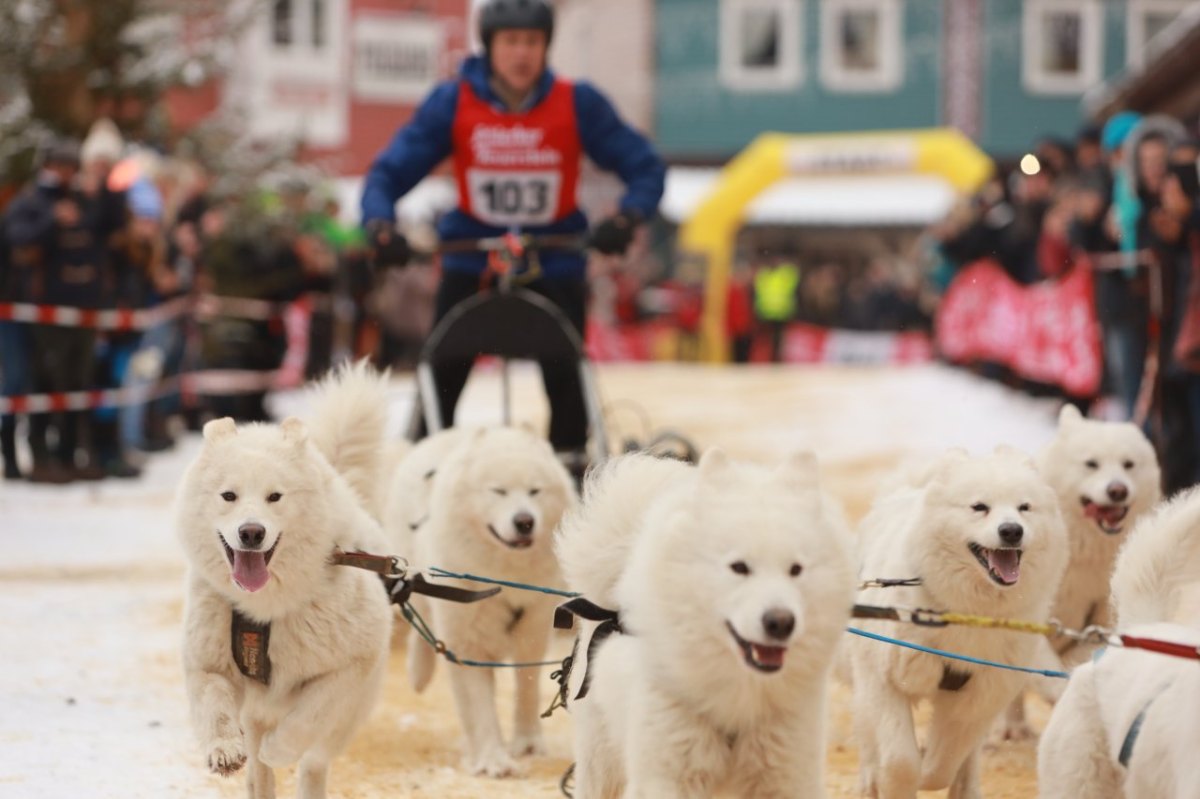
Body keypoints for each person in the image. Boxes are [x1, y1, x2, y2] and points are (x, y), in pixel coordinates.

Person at [360, 0, 665, 469]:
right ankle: (423, 467)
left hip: (555, 258)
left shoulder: (576, 101)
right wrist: (380, 222)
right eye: (511, 42)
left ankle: (570, 468)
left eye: (532, 43)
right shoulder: (454, 101)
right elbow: (389, 170)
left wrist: (626, 217)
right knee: (441, 370)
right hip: (471, 259)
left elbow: (643, 165)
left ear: (546, 47)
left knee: (567, 375)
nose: (522, 54)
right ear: (490, 46)